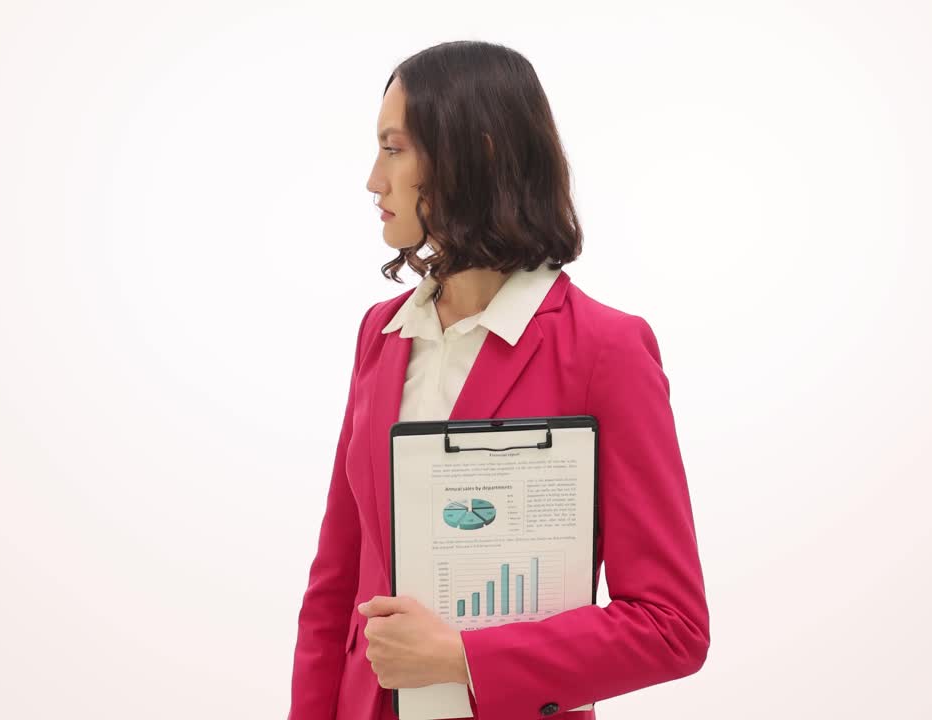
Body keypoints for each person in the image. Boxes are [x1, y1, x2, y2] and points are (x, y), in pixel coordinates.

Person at [288, 40, 709, 720]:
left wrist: (462, 658)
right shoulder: (380, 334)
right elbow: (335, 587)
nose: (373, 179)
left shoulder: (607, 350)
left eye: (394, 150)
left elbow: (671, 626)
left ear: (474, 156)